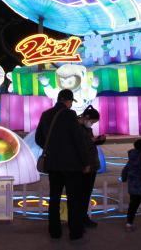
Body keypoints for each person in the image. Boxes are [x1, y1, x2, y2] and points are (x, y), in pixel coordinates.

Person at [35, 88, 90, 242]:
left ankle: (54, 231)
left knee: (54, 198)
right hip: (72, 166)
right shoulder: (70, 115)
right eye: (71, 101)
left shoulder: (46, 115)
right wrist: (85, 162)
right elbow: (79, 141)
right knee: (74, 199)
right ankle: (75, 232)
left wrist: (51, 148)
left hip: (53, 164)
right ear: (68, 101)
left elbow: (39, 138)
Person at [78, 105, 105, 229]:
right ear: (87, 117)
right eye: (92, 122)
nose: (92, 124)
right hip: (84, 166)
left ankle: (83, 217)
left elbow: (89, 142)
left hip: (91, 164)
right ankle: (79, 219)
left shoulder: (86, 128)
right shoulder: (77, 127)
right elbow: (82, 145)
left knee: (86, 194)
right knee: (81, 194)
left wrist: (98, 140)